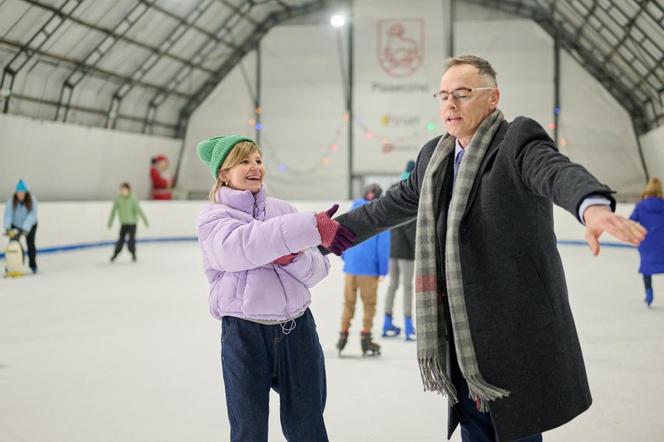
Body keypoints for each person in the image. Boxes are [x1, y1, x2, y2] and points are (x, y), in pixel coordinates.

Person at [325, 55, 646, 441]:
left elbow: (555, 171)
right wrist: (322, 235)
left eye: (462, 93)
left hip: (514, 338)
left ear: (492, 98)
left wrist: (590, 205)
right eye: (443, 95)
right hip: (461, 340)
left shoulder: (516, 141)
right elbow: (386, 208)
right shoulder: (434, 156)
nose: (450, 104)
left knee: (516, 432)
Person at [195, 135, 354, 442]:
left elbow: (318, 269)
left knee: (308, 424)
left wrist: (290, 258)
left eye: (258, 160)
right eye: (244, 161)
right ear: (224, 173)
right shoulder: (214, 219)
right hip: (244, 333)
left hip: (297, 329)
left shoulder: (283, 211)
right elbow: (241, 246)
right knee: (249, 429)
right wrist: (302, 231)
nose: (254, 167)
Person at [336, 183, 390, 357]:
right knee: (369, 304)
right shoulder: (381, 216)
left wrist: (346, 259)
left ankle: (343, 334)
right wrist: (383, 270)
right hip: (369, 269)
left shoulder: (352, 212)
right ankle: (366, 337)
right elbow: (383, 246)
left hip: (351, 269)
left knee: (348, 303)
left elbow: (340, 237)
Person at [382, 161, 417, 341]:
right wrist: (418, 247)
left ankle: (386, 320)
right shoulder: (411, 190)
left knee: (393, 284)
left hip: (393, 249)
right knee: (407, 286)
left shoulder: (394, 189)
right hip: (406, 251)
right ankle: (408, 324)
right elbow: (409, 225)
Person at [629, 177, 664, 307]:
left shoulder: (640, 206)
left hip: (647, 242)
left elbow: (631, 221)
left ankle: (649, 293)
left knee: (647, 268)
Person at [3, 179, 38, 273]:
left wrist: (25, 229)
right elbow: (8, 214)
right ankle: (13, 265)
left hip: (31, 225)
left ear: (25, 192)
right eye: (18, 192)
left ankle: (33, 265)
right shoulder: (12, 200)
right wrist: (7, 228)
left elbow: (32, 215)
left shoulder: (32, 199)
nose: (20, 195)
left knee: (30, 244)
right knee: (13, 244)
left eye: (22, 192)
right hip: (16, 225)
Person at [108, 182, 148, 262]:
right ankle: (115, 254)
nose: (123, 191)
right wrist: (110, 222)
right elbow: (113, 211)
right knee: (120, 240)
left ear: (128, 190)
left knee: (131, 240)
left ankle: (133, 253)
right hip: (124, 223)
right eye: (121, 190)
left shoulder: (133, 199)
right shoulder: (119, 199)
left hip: (132, 224)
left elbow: (139, 210)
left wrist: (145, 220)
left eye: (124, 190)